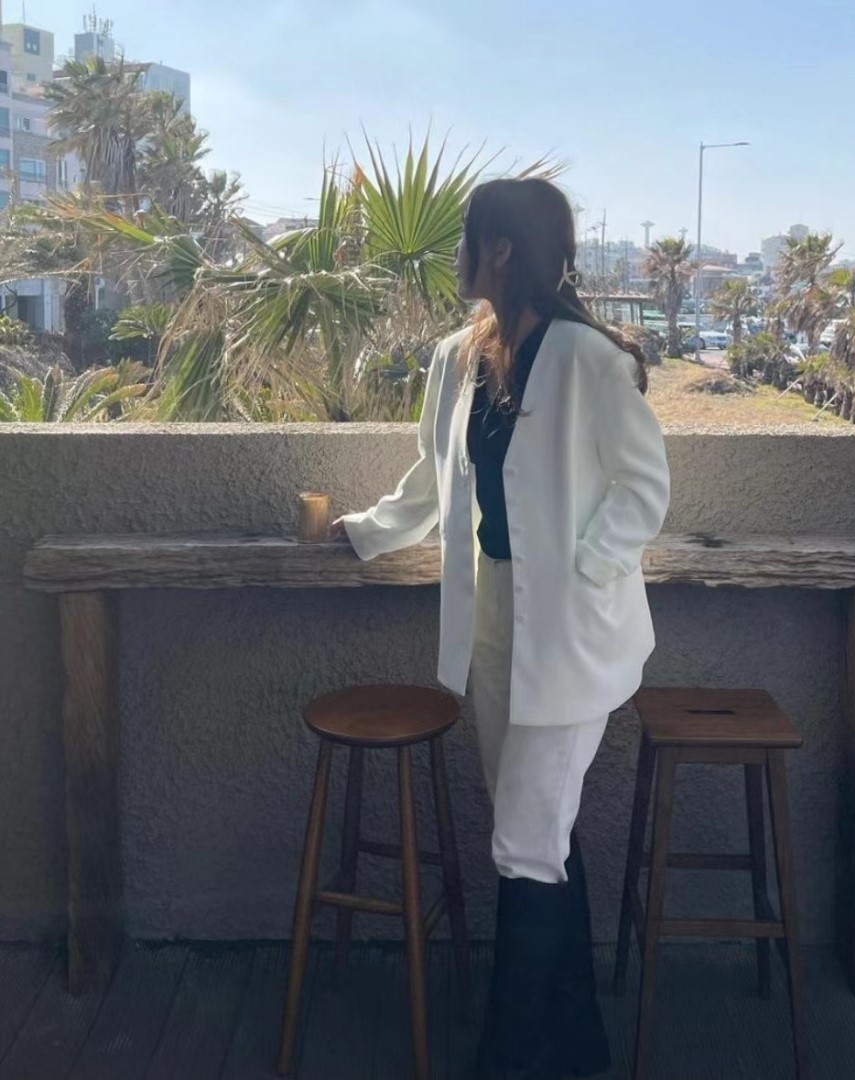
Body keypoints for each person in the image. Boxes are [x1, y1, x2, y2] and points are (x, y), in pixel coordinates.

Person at [330, 177, 670, 1078]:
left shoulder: (589, 360)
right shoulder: (455, 359)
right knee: (537, 836)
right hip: (491, 621)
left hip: (573, 634)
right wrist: (358, 533)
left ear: (503, 250)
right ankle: (581, 1042)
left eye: (467, 238)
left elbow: (644, 489)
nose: (457, 254)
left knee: (522, 839)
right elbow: (429, 481)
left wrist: (583, 571)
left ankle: (507, 1057)